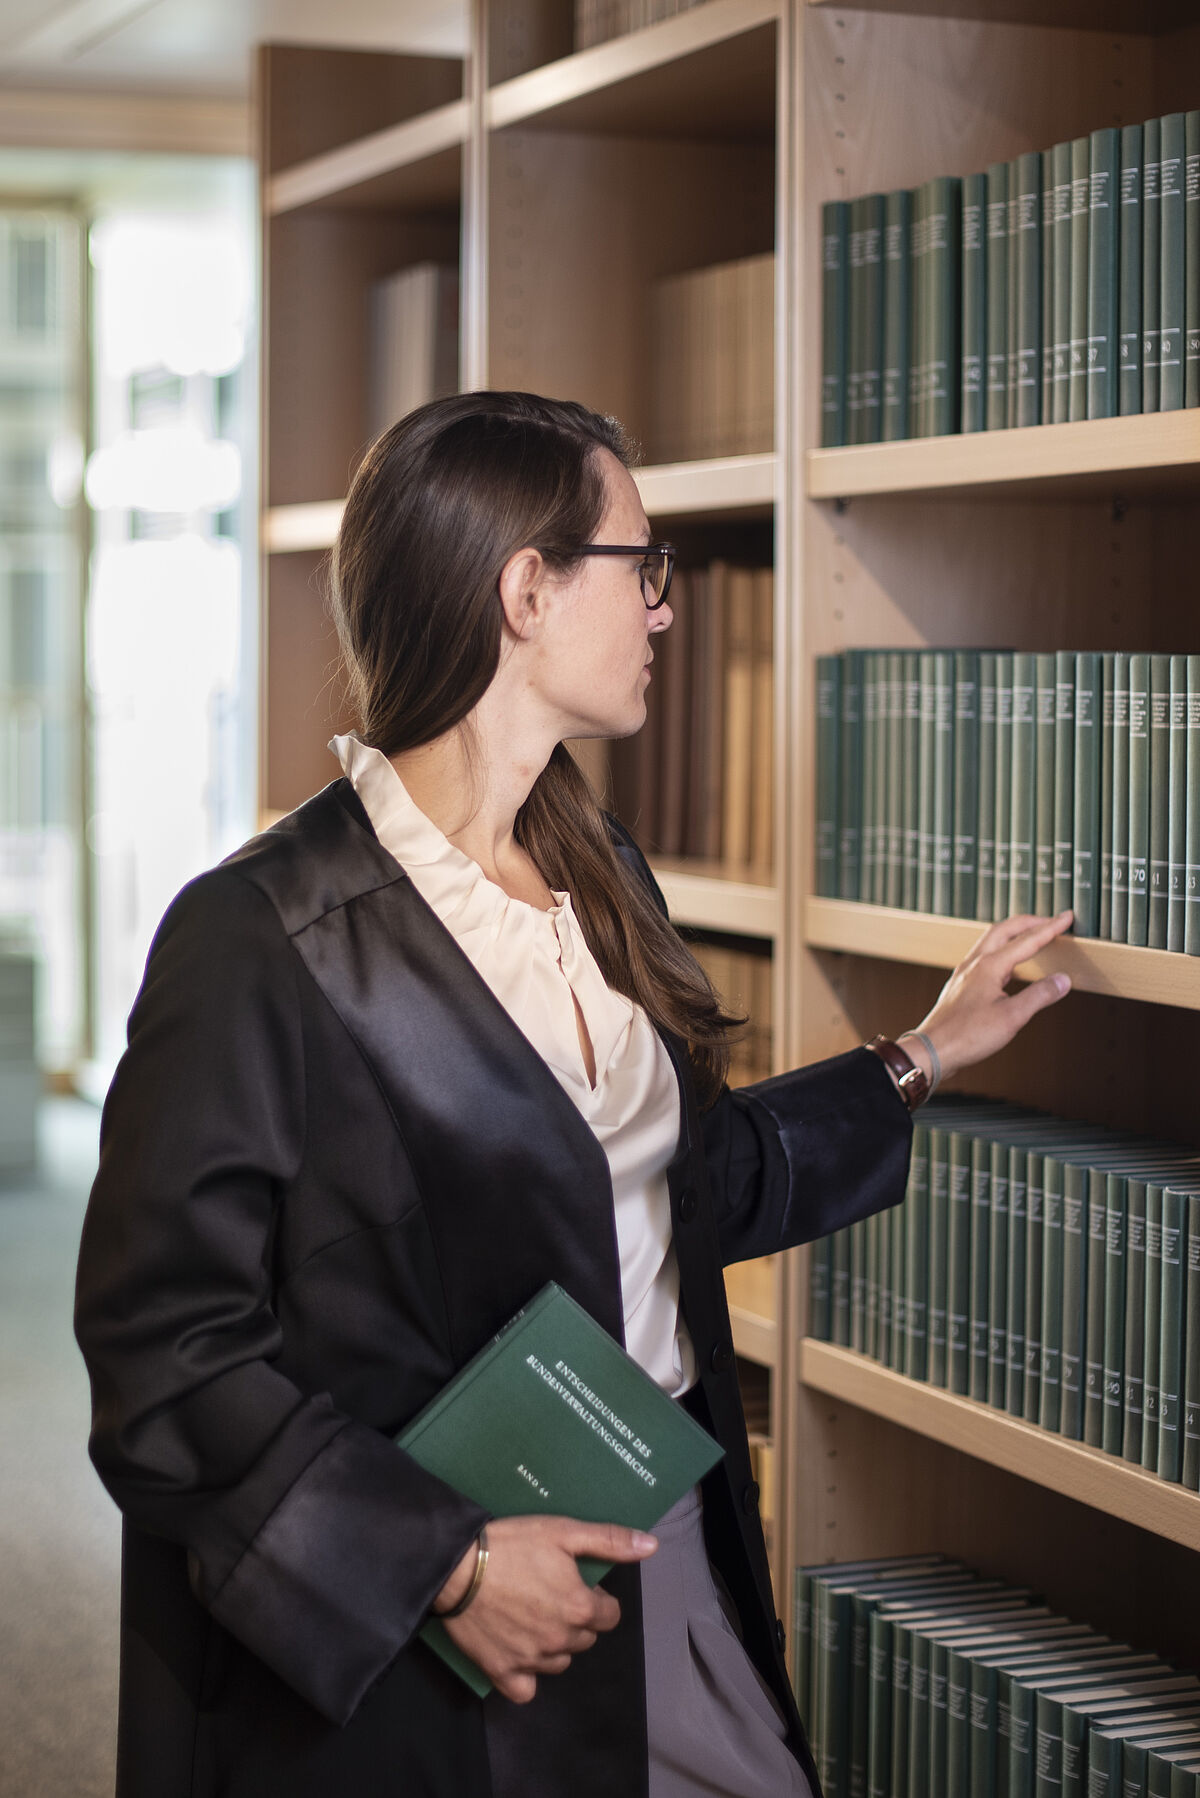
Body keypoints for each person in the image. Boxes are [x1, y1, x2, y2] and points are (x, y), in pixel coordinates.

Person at [74, 391, 1073, 1798]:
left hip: (661, 1536)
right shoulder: (259, 938)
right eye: (643, 566)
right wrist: (447, 1562)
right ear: (526, 590)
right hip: (422, 1622)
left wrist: (919, 1055)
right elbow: (163, 1357)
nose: (666, 610)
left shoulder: (597, 866)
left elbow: (670, 1188)